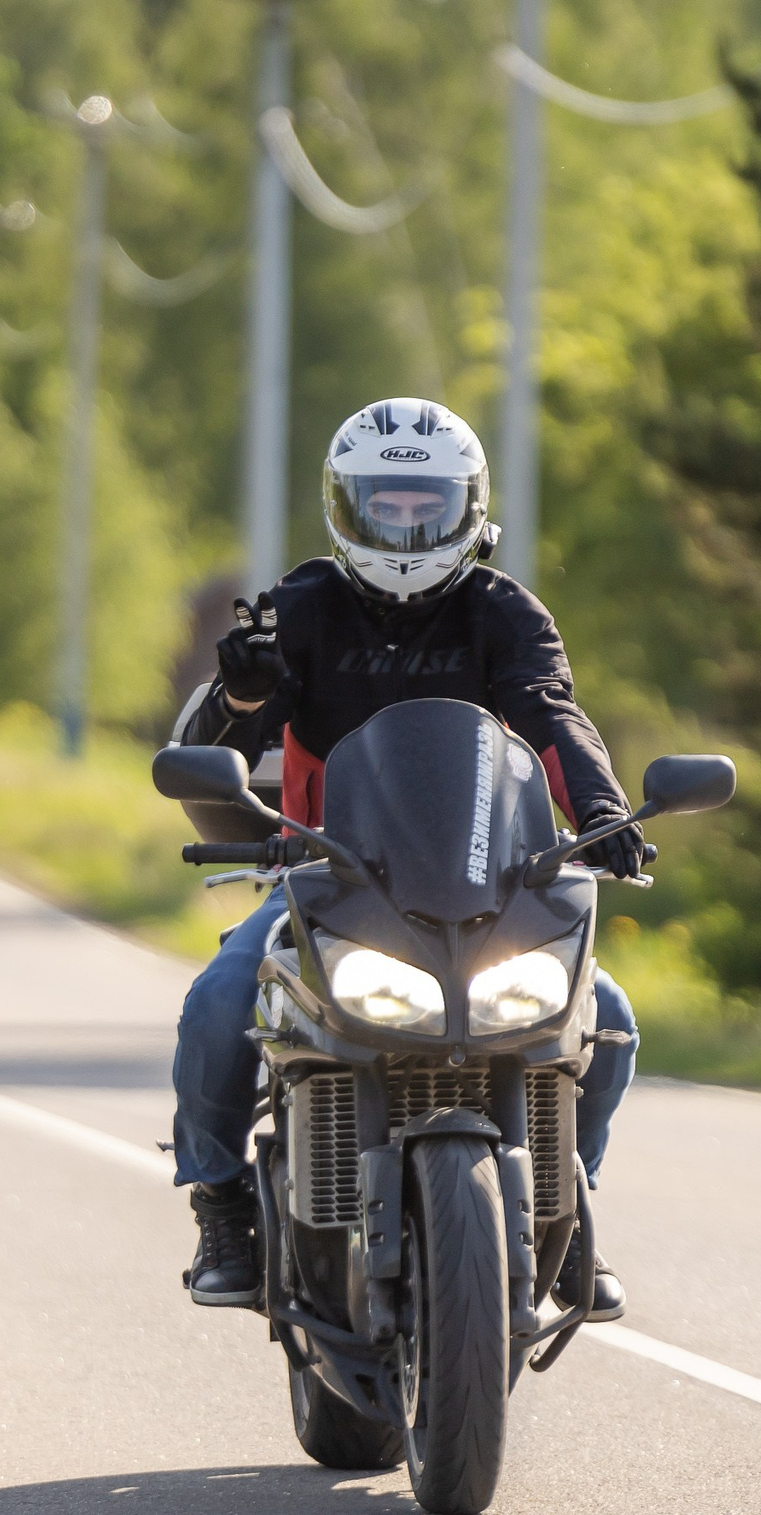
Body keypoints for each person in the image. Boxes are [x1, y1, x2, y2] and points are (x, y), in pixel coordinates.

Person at [171, 398, 639, 1321]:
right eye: (384, 505)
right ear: (344, 507)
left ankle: (569, 1199)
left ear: (469, 506)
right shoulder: (299, 609)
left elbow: (552, 715)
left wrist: (603, 809)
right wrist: (236, 693)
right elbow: (201, 749)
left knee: (609, 1016)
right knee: (220, 998)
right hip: (327, 880)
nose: (406, 524)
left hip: (493, 885)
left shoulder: (505, 614)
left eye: (425, 503)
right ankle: (221, 1205)